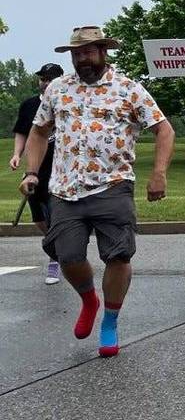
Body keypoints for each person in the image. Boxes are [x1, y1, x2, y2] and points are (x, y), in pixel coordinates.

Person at [18, 26, 174, 357]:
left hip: (112, 185)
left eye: (88, 51)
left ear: (104, 51)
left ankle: (110, 321)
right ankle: (89, 299)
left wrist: (158, 173)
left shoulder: (129, 89)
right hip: (65, 188)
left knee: (118, 255)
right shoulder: (57, 89)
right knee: (68, 255)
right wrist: (32, 172)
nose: (82, 58)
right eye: (76, 53)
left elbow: (164, 129)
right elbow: (38, 131)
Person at [9, 62, 65, 284]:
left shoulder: (68, 103)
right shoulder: (29, 105)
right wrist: (16, 154)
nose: (46, 83)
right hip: (35, 169)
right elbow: (23, 132)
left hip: (60, 170)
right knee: (40, 219)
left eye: (50, 78)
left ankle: (55, 260)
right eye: (43, 79)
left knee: (56, 215)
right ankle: (58, 248)